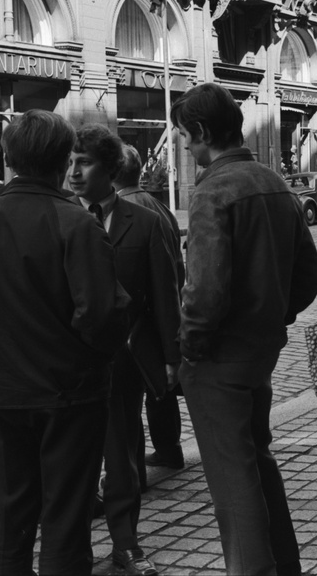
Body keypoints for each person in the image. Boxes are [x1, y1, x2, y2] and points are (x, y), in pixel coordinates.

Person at [172, 82, 317, 576]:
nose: (186, 147)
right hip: (261, 353)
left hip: (219, 359)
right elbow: (308, 278)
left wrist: (190, 348)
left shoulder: (212, 190)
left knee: (233, 482)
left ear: (200, 132)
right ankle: (284, 565)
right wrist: (273, 315)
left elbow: (204, 292)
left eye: (185, 137)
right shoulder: (274, 182)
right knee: (257, 461)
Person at [0, 110, 130, 575]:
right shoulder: (76, 223)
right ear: (63, 160)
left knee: (12, 511)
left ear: (8, 157)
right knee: (65, 516)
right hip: (70, 394)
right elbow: (102, 315)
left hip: (5, 391)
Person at [68, 125, 181, 576]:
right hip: (69, 363)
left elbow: (164, 294)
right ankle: (72, 548)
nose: (74, 172)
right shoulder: (59, 217)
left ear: (111, 169)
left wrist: (171, 357)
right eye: (70, 162)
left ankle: (126, 544)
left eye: (84, 162)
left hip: (124, 362)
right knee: (72, 459)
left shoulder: (145, 222)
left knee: (122, 460)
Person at [113, 144, 187, 470]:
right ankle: (169, 448)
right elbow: (177, 266)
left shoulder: (123, 211)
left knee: (130, 396)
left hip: (139, 317)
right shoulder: (160, 207)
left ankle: (135, 470)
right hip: (165, 309)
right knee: (160, 386)